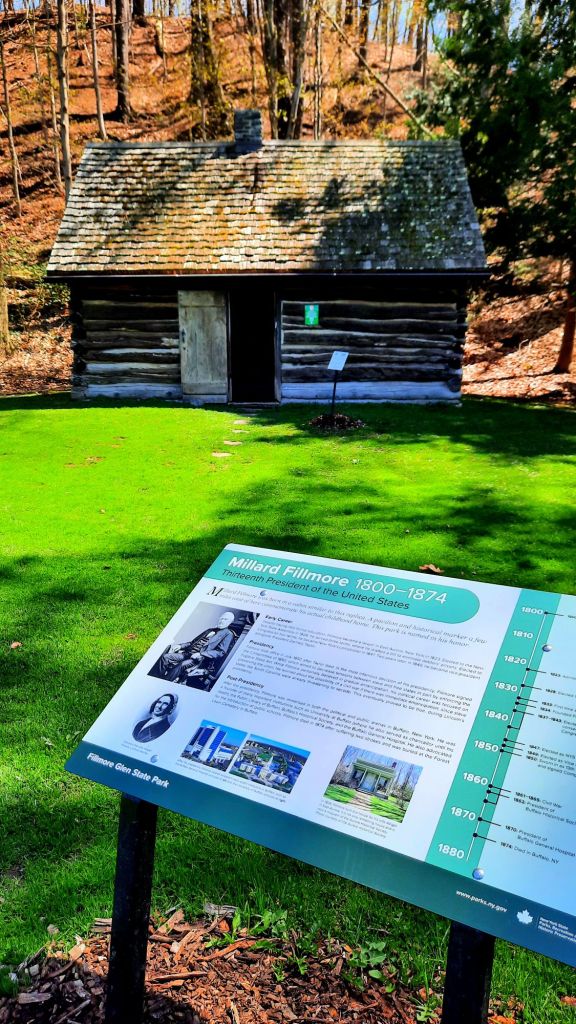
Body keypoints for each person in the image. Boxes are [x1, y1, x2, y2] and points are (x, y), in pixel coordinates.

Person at [178, 612, 237, 689]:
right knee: (166, 657)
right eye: (221, 618)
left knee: (182, 665)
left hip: (201, 660)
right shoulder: (209, 630)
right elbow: (192, 642)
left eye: (225, 619)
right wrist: (180, 646)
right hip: (187, 653)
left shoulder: (228, 634)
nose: (222, 621)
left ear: (229, 622)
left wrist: (201, 654)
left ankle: (169, 683)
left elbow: (220, 652)